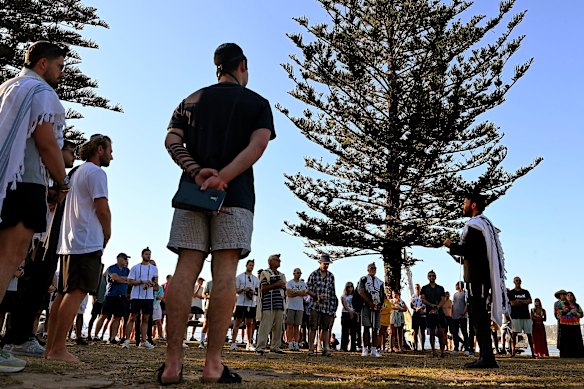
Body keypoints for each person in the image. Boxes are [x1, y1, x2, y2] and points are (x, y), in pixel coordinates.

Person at [160, 42, 274, 384]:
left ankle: (172, 364)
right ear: (243, 66)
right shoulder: (257, 103)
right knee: (225, 275)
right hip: (235, 197)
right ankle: (212, 364)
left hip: (192, 194)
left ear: (217, 68)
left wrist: (197, 173)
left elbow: (171, 141)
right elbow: (258, 145)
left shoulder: (190, 100)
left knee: (184, 272)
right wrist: (223, 177)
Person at [0, 41, 69, 309]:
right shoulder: (41, 90)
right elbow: (47, 142)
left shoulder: (8, 86)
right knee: (10, 257)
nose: (61, 73)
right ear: (43, 63)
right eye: (59, 66)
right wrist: (61, 181)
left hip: (6, 180)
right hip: (25, 180)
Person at [1, 140, 76, 359]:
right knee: (27, 288)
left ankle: (21, 335)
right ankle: (17, 338)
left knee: (35, 289)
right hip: (38, 241)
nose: (73, 157)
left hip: (42, 240)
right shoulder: (44, 178)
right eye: (70, 152)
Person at [44, 134, 113, 362]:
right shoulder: (96, 173)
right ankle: (58, 349)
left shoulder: (74, 173)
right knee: (76, 292)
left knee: (63, 293)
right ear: (100, 149)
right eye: (110, 150)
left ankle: (51, 348)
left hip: (68, 242)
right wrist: (107, 232)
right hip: (86, 241)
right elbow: (102, 208)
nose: (112, 155)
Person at [444, 192, 507, 368]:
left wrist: (452, 246)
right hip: (480, 278)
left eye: (465, 202)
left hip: (476, 279)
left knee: (479, 317)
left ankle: (487, 357)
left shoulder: (475, 225)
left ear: (473, 205)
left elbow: (469, 250)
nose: (462, 205)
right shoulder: (484, 225)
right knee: (478, 317)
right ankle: (486, 356)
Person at [122, 247, 158, 349]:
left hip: (149, 297)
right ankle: (127, 340)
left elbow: (155, 281)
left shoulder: (154, 268)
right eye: (146, 254)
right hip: (136, 296)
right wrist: (142, 282)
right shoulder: (135, 268)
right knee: (132, 317)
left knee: (146, 319)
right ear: (142, 255)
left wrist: (150, 284)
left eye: (149, 254)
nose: (148, 256)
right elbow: (130, 281)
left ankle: (143, 341)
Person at [306, 254, 338, 357]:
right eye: (325, 264)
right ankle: (311, 348)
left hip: (327, 306)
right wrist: (317, 296)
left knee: (325, 328)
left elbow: (333, 292)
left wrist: (333, 307)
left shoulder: (331, 276)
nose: (326, 266)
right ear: (320, 263)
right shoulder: (313, 275)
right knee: (313, 327)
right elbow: (307, 289)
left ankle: (325, 348)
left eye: (328, 264)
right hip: (315, 305)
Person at [94, 253, 130, 344]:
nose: (126, 261)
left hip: (122, 297)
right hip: (111, 296)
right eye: (125, 259)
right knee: (103, 316)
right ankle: (95, 335)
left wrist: (121, 279)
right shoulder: (111, 268)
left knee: (117, 318)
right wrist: (124, 280)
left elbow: (129, 280)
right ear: (119, 259)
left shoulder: (127, 270)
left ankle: (112, 338)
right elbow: (114, 277)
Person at [256, 254, 287, 355]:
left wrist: (282, 285)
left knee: (278, 328)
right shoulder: (265, 273)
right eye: (277, 260)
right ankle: (260, 347)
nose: (279, 261)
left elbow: (284, 287)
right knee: (265, 326)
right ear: (270, 261)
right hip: (268, 304)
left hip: (279, 304)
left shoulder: (281, 275)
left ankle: (275, 347)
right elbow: (263, 288)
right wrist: (276, 285)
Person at [231, 260, 259, 351]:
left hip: (251, 304)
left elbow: (257, 291)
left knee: (249, 323)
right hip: (240, 303)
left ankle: (249, 343)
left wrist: (252, 292)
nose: (251, 267)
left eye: (253, 265)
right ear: (246, 265)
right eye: (250, 265)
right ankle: (233, 342)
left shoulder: (255, 279)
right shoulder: (239, 277)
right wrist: (244, 289)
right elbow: (236, 290)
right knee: (237, 322)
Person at [358, 262, 384, 357]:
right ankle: (365, 348)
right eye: (371, 268)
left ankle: (374, 349)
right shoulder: (364, 280)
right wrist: (369, 302)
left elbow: (382, 295)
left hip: (376, 307)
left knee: (375, 328)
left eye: (374, 268)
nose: (373, 269)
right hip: (366, 306)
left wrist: (379, 304)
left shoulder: (379, 282)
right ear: (368, 269)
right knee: (366, 327)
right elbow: (361, 291)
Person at [420, 270, 447, 358]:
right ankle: (433, 351)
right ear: (428, 277)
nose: (432, 277)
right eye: (430, 276)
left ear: (435, 277)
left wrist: (438, 307)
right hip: (429, 312)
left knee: (441, 332)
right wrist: (431, 305)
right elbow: (422, 299)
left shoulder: (440, 288)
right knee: (431, 332)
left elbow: (443, 299)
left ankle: (442, 351)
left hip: (439, 312)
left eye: (433, 275)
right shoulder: (424, 288)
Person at [507, 276, 535, 358]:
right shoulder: (511, 292)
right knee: (514, 334)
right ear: (514, 282)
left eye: (519, 280)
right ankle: (513, 352)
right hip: (515, 316)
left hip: (526, 315)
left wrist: (519, 301)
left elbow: (530, 301)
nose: (518, 282)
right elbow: (513, 303)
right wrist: (524, 302)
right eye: (516, 280)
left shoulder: (525, 292)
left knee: (529, 334)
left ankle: (533, 353)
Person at [285, 267, 307, 351]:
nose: (299, 274)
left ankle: (296, 343)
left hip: (299, 307)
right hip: (290, 306)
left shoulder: (303, 283)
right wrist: (299, 293)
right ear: (294, 273)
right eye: (297, 273)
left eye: (300, 273)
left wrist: (295, 293)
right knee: (290, 325)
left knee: (297, 326)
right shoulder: (289, 283)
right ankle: (290, 342)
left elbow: (304, 293)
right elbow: (289, 293)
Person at [557, 292, 584, 358]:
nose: (569, 296)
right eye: (568, 295)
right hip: (564, 325)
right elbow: (558, 313)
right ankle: (565, 355)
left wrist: (576, 313)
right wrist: (565, 311)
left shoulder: (577, 305)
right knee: (565, 340)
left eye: (571, 295)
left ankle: (577, 355)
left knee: (576, 340)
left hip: (575, 325)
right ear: (566, 297)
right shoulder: (561, 304)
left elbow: (581, 314)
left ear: (573, 297)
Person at [451, 281, 469, 353]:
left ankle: (467, 348)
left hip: (462, 317)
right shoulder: (455, 294)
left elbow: (467, 304)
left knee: (464, 332)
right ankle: (456, 348)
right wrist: (452, 313)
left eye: (456, 285)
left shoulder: (464, 294)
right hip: (454, 316)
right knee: (455, 332)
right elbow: (453, 304)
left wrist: (464, 312)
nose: (455, 286)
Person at [340, 282, 358, 352]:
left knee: (353, 331)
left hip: (354, 313)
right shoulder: (343, 296)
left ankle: (353, 347)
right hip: (345, 313)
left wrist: (353, 312)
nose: (350, 288)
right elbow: (344, 305)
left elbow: (356, 305)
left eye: (351, 287)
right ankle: (344, 347)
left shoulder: (355, 296)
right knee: (345, 331)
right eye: (348, 287)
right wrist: (349, 311)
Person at [410, 283, 426, 352]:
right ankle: (415, 347)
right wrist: (416, 308)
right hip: (415, 314)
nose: (417, 288)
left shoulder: (423, 296)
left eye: (418, 287)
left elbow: (425, 304)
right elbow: (411, 305)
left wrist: (421, 308)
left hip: (422, 315)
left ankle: (422, 347)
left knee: (422, 331)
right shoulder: (413, 296)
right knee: (415, 331)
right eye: (416, 287)